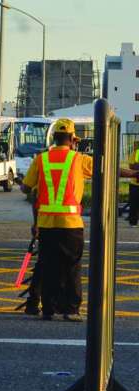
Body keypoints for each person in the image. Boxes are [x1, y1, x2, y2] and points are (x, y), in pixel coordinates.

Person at [21, 118, 138, 322]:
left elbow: (26, 188)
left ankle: (47, 309)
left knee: (48, 266)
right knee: (71, 267)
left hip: (47, 223)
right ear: (73, 140)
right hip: (70, 224)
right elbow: (109, 169)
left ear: (54, 138)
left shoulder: (41, 159)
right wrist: (134, 173)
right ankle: (71, 310)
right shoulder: (78, 160)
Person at [129, 141, 139, 226]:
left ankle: (133, 221)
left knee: (134, 203)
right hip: (135, 183)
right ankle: (133, 222)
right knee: (134, 204)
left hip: (135, 183)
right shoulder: (137, 152)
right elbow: (132, 166)